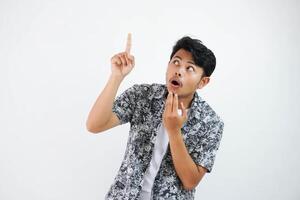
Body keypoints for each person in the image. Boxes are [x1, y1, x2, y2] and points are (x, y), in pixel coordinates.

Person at [86, 33, 224, 199]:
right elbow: (94, 125)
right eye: (176, 62)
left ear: (203, 82)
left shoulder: (211, 123)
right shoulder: (142, 95)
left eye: (190, 68)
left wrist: (174, 131)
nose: (179, 71)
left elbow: (190, 181)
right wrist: (116, 77)